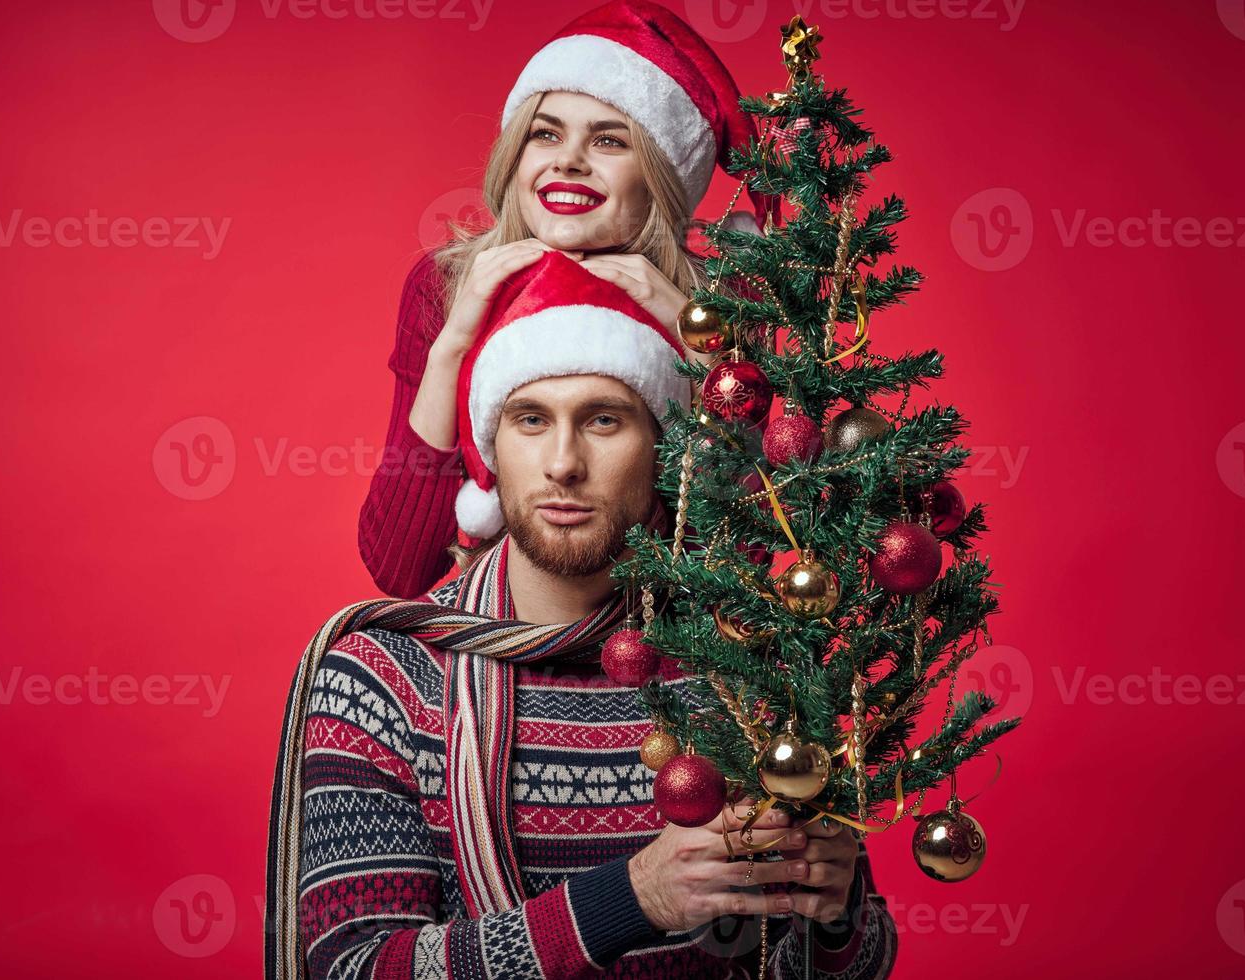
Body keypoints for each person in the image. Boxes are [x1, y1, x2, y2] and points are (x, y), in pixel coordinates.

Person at [267, 252, 896, 978]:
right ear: (491, 452)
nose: (563, 463)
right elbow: (353, 969)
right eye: (531, 420)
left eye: (603, 420)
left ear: (660, 449)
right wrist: (636, 898)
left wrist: (839, 908)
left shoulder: (739, 661)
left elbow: (855, 965)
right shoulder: (383, 678)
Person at [357, 0, 777, 598]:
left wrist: (702, 349)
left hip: (662, 647)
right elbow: (399, 569)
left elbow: (747, 557)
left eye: (609, 141)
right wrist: (451, 345)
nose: (568, 161)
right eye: (545, 133)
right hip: (501, 639)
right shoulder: (443, 286)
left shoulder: (727, 301)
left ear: (661, 176)